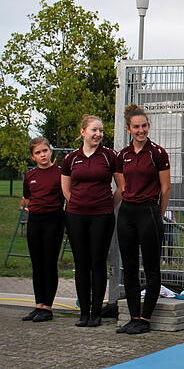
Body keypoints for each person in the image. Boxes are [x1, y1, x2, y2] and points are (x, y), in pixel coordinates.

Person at [115, 104, 171, 334]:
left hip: (149, 212)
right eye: (136, 127)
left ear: (149, 126)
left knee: (151, 268)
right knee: (129, 267)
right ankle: (133, 316)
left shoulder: (157, 153)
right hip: (127, 213)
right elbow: (121, 187)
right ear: (129, 129)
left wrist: (158, 214)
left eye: (144, 126)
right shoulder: (122, 155)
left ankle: (145, 319)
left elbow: (166, 188)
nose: (141, 130)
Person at [61, 115, 121, 327]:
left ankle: (96, 312)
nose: (98, 134)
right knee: (82, 263)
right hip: (76, 216)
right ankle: (83, 312)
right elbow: (66, 189)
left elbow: (121, 187)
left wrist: (105, 206)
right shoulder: (71, 158)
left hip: (101, 217)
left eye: (101, 131)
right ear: (83, 132)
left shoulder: (109, 156)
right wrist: (79, 204)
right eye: (94, 130)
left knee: (97, 262)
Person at [20, 137, 65, 323]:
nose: (42, 155)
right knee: (37, 264)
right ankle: (38, 305)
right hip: (35, 221)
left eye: (45, 151)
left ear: (50, 151)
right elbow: (28, 199)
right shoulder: (29, 176)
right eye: (38, 153)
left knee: (49, 263)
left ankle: (48, 307)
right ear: (33, 157)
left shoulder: (61, 173)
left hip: (54, 220)